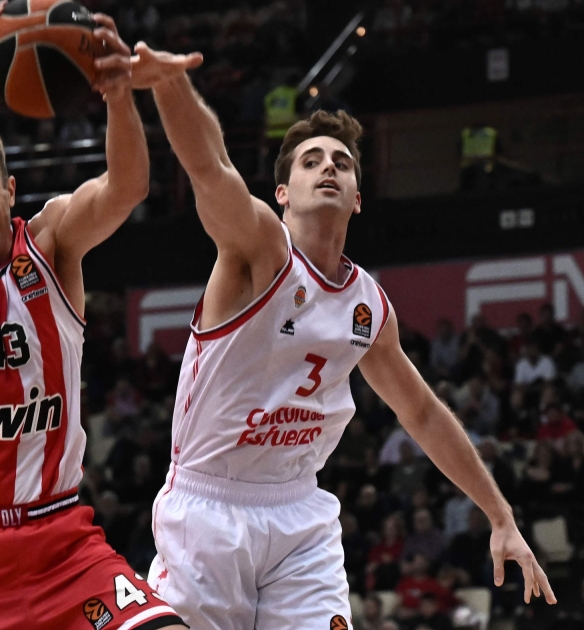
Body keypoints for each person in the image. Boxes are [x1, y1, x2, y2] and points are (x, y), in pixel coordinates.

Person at [131, 43, 554, 630]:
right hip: (210, 509)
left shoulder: (368, 307)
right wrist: (170, 84)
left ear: (357, 198)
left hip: (299, 512)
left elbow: (422, 413)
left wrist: (500, 515)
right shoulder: (259, 250)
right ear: (282, 194)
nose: (328, 167)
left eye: (341, 162)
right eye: (310, 162)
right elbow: (209, 167)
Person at [0, 4, 182, 629]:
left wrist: (119, 96)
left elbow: (127, 187)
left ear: (10, 191)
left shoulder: (52, 244)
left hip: (63, 545)